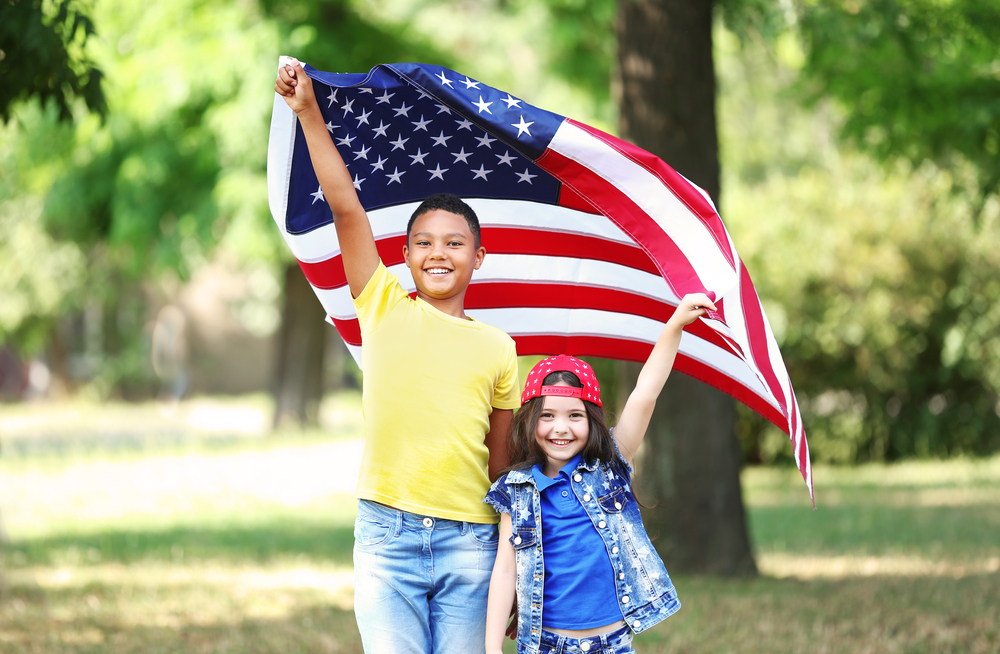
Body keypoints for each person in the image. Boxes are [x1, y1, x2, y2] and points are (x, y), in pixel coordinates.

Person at [275, 60, 521, 654]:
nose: (438, 254)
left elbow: (502, 463)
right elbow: (345, 208)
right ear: (406, 257)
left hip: (472, 543)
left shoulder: (499, 348)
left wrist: (513, 568)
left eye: (454, 243)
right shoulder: (382, 303)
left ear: (479, 258)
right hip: (387, 539)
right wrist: (309, 110)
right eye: (423, 244)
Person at [484, 293, 716, 654]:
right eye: (548, 416)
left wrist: (673, 327)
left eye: (574, 415)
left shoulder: (609, 464)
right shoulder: (515, 492)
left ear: (591, 422)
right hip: (547, 645)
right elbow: (504, 570)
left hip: (613, 644)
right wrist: (491, 647)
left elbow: (644, 394)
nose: (560, 427)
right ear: (530, 421)